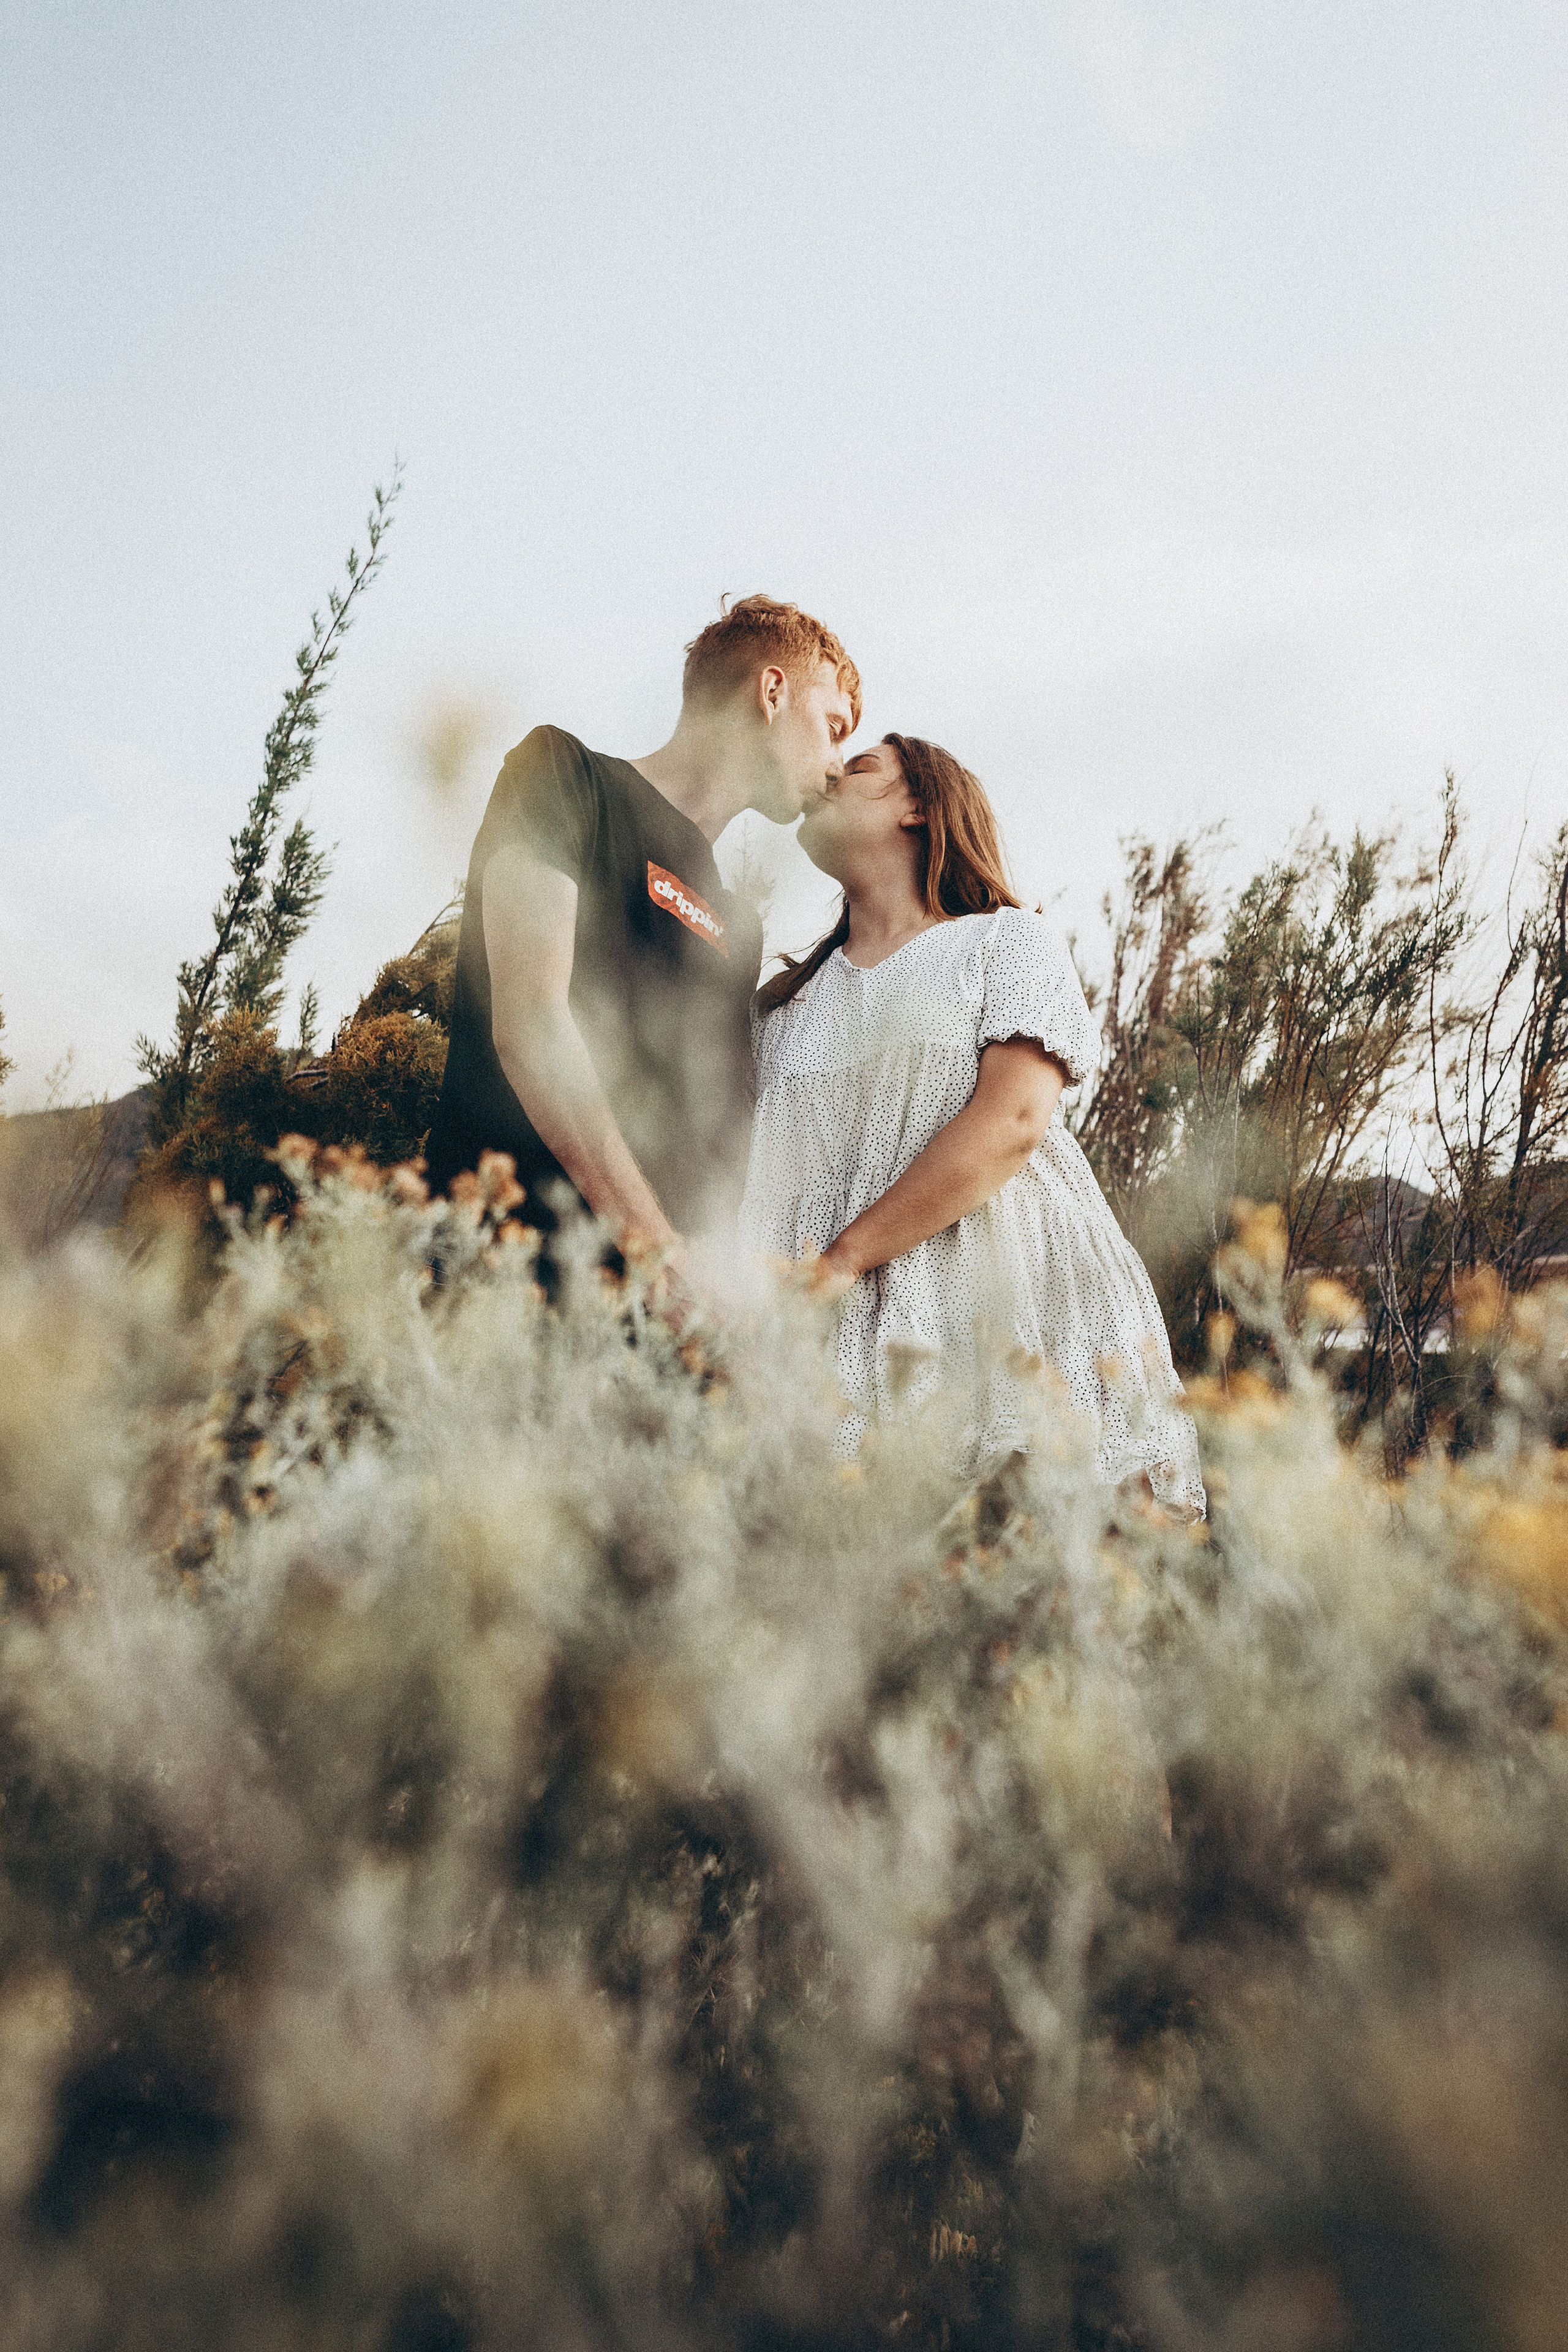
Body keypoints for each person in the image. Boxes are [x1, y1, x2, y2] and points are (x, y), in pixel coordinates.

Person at [740, 734, 1205, 1513]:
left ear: (919, 806)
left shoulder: (1004, 941)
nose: (828, 775)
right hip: (833, 1331)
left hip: (1006, 1306)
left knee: (1044, 1576)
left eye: (859, 769)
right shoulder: (782, 1006)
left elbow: (1014, 1120)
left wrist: (844, 1259)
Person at [425, 598, 861, 1257]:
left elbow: (715, 1137)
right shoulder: (562, 775)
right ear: (772, 691)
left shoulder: (737, 928)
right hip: (500, 1268)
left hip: (647, 1319)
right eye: (834, 727)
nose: (837, 767)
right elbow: (530, 1024)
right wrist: (659, 1253)